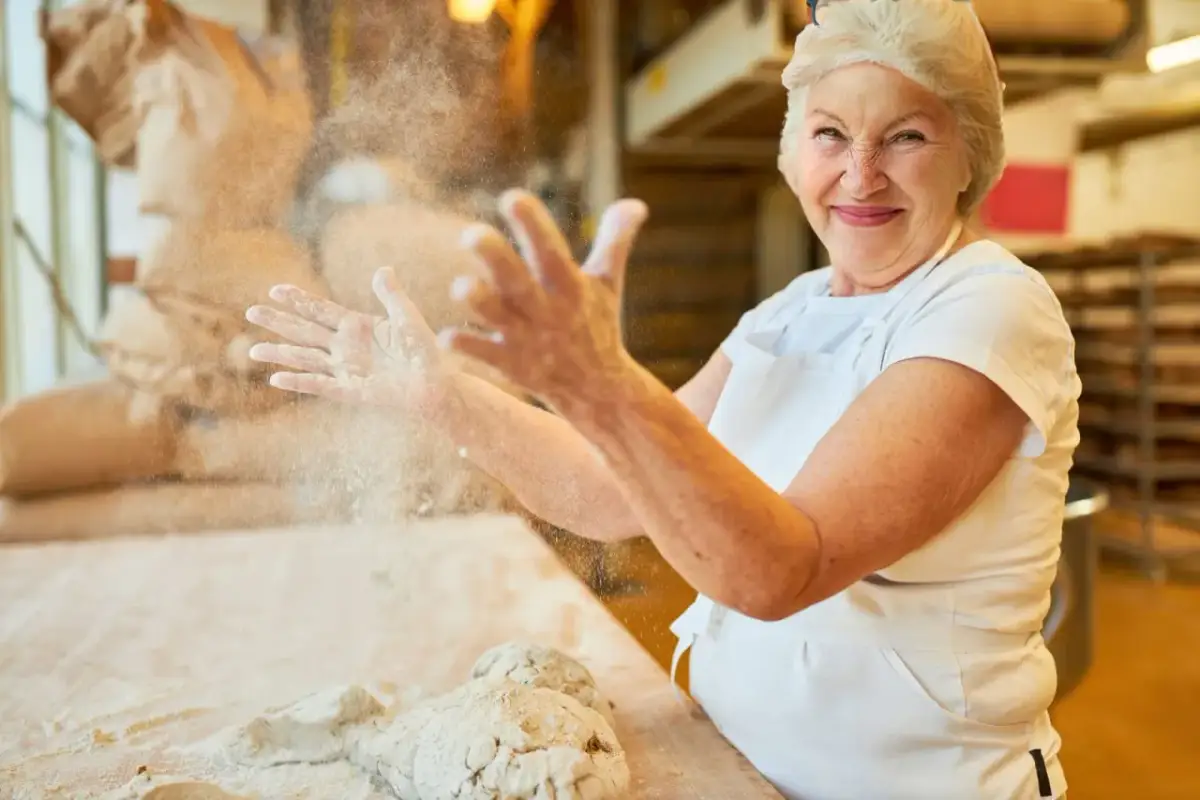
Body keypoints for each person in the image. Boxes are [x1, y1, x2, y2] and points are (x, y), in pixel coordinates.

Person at [246, 0, 1079, 796]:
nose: (860, 173)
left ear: (971, 154)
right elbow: (606, 491)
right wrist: (445, 397)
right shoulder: (787, 314)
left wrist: (605, 388)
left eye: (906, 136)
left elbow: (786, 570)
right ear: (794, 154)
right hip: (741, 772)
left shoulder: (988, 309)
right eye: (830, 133)